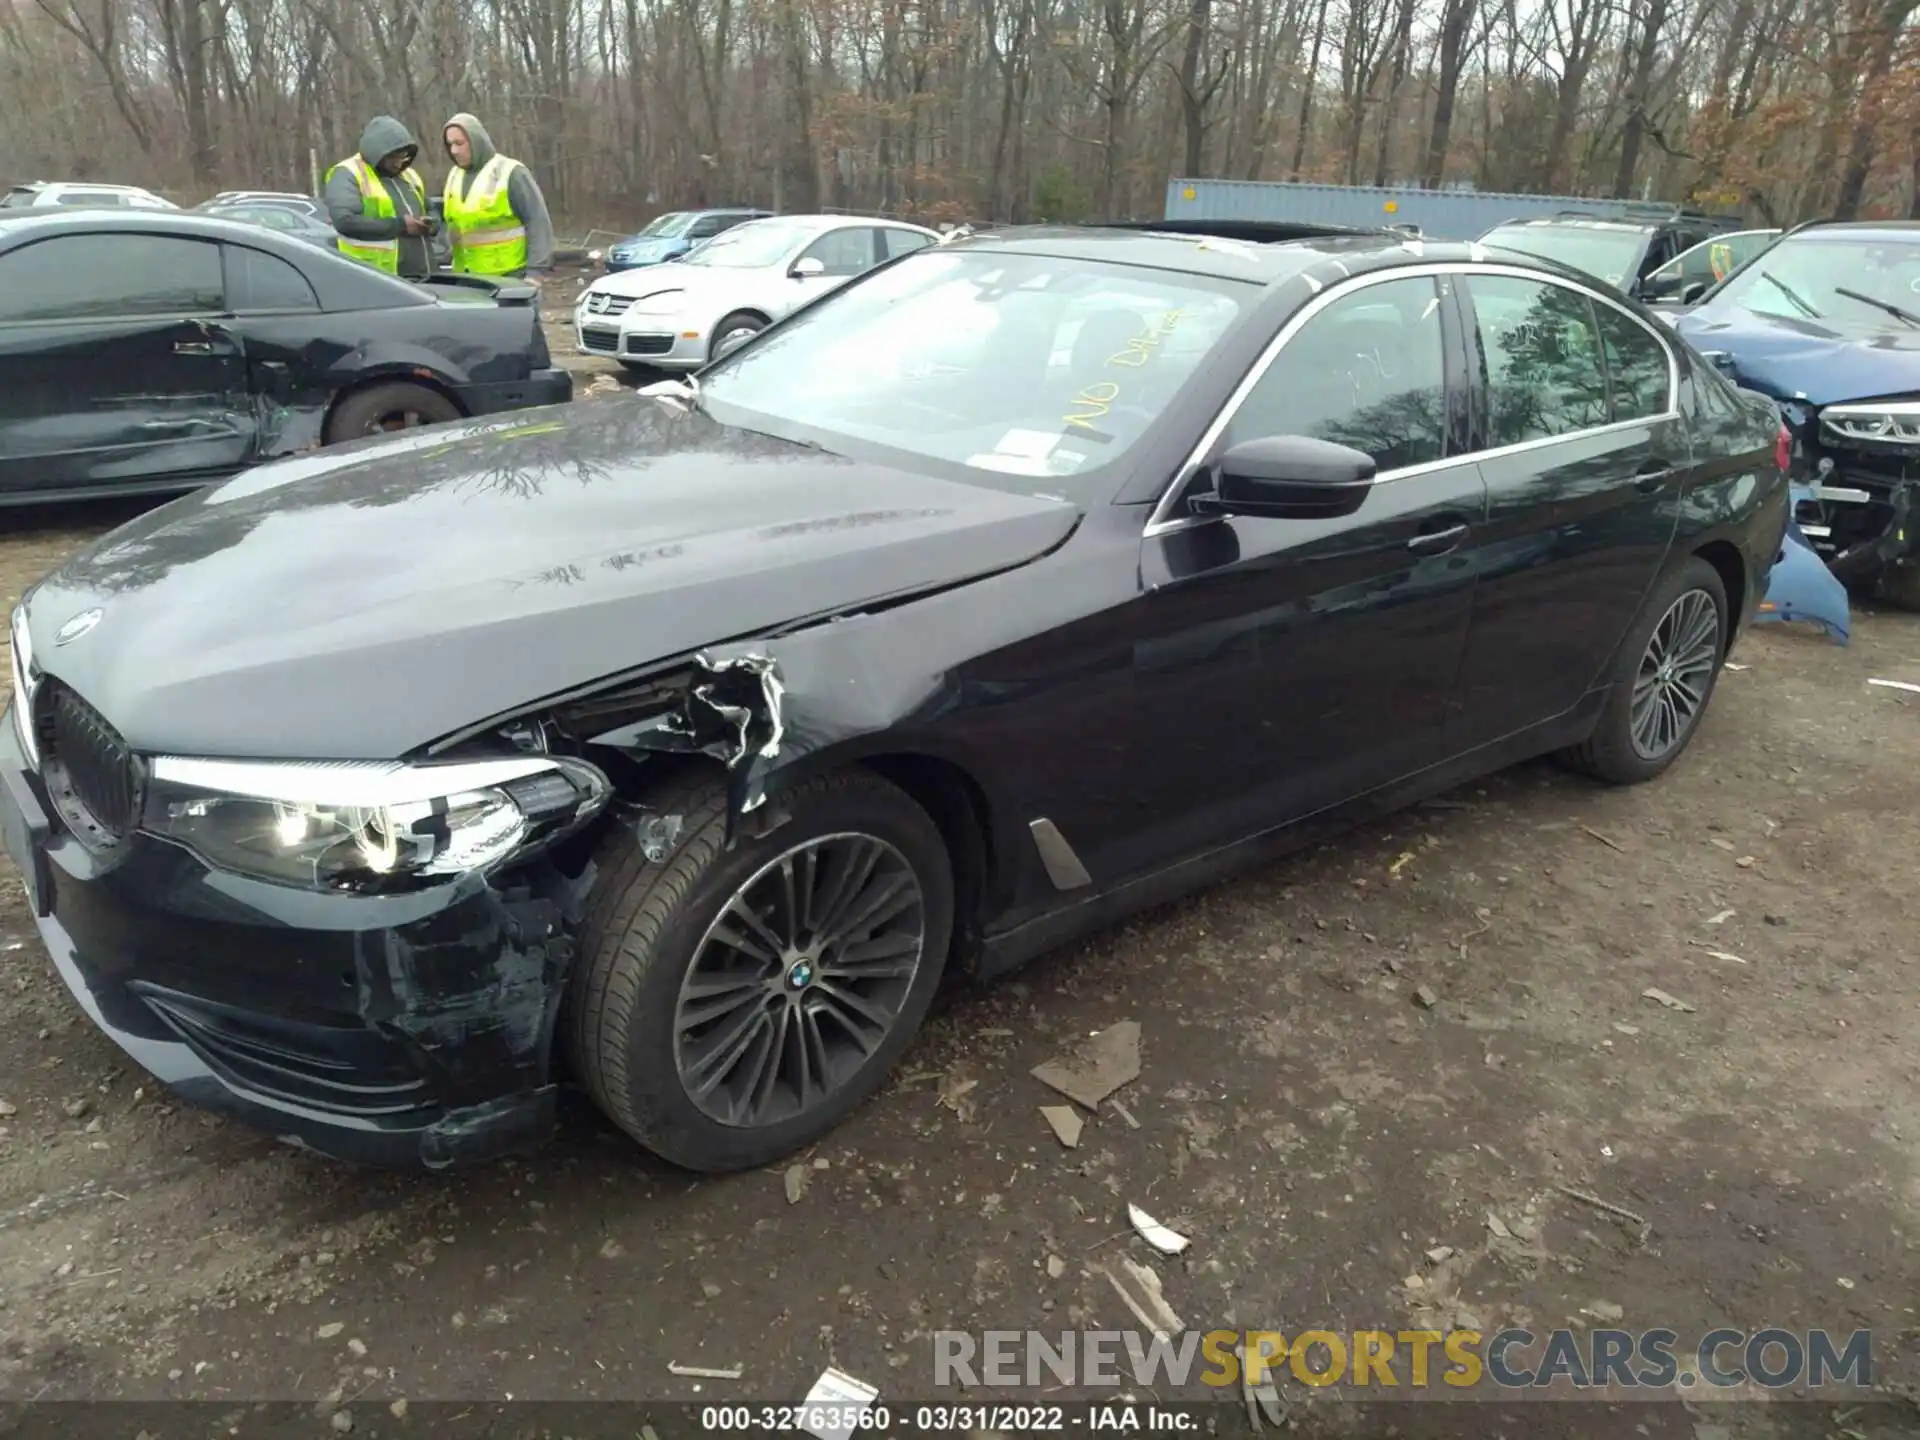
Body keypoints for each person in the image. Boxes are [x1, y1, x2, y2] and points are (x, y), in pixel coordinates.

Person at [440, 113, 555, 283]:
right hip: (467, 278)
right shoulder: (455, 175)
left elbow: (538, 221)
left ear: (476, 141)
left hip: (509, 278)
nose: (454, 151)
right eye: (450, 145)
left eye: (459, 143)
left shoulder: (510, 172)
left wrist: (535, 272)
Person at [323, 116, 434, 279]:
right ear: (376, 152)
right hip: (373, 280)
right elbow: (345, 221)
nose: (398, 164)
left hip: (422, 275)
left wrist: (432, 223)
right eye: (392, 158)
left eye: (403, 157)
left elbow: (429, 207)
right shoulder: (347, 173)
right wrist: (401, 226)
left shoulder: (409, 176)